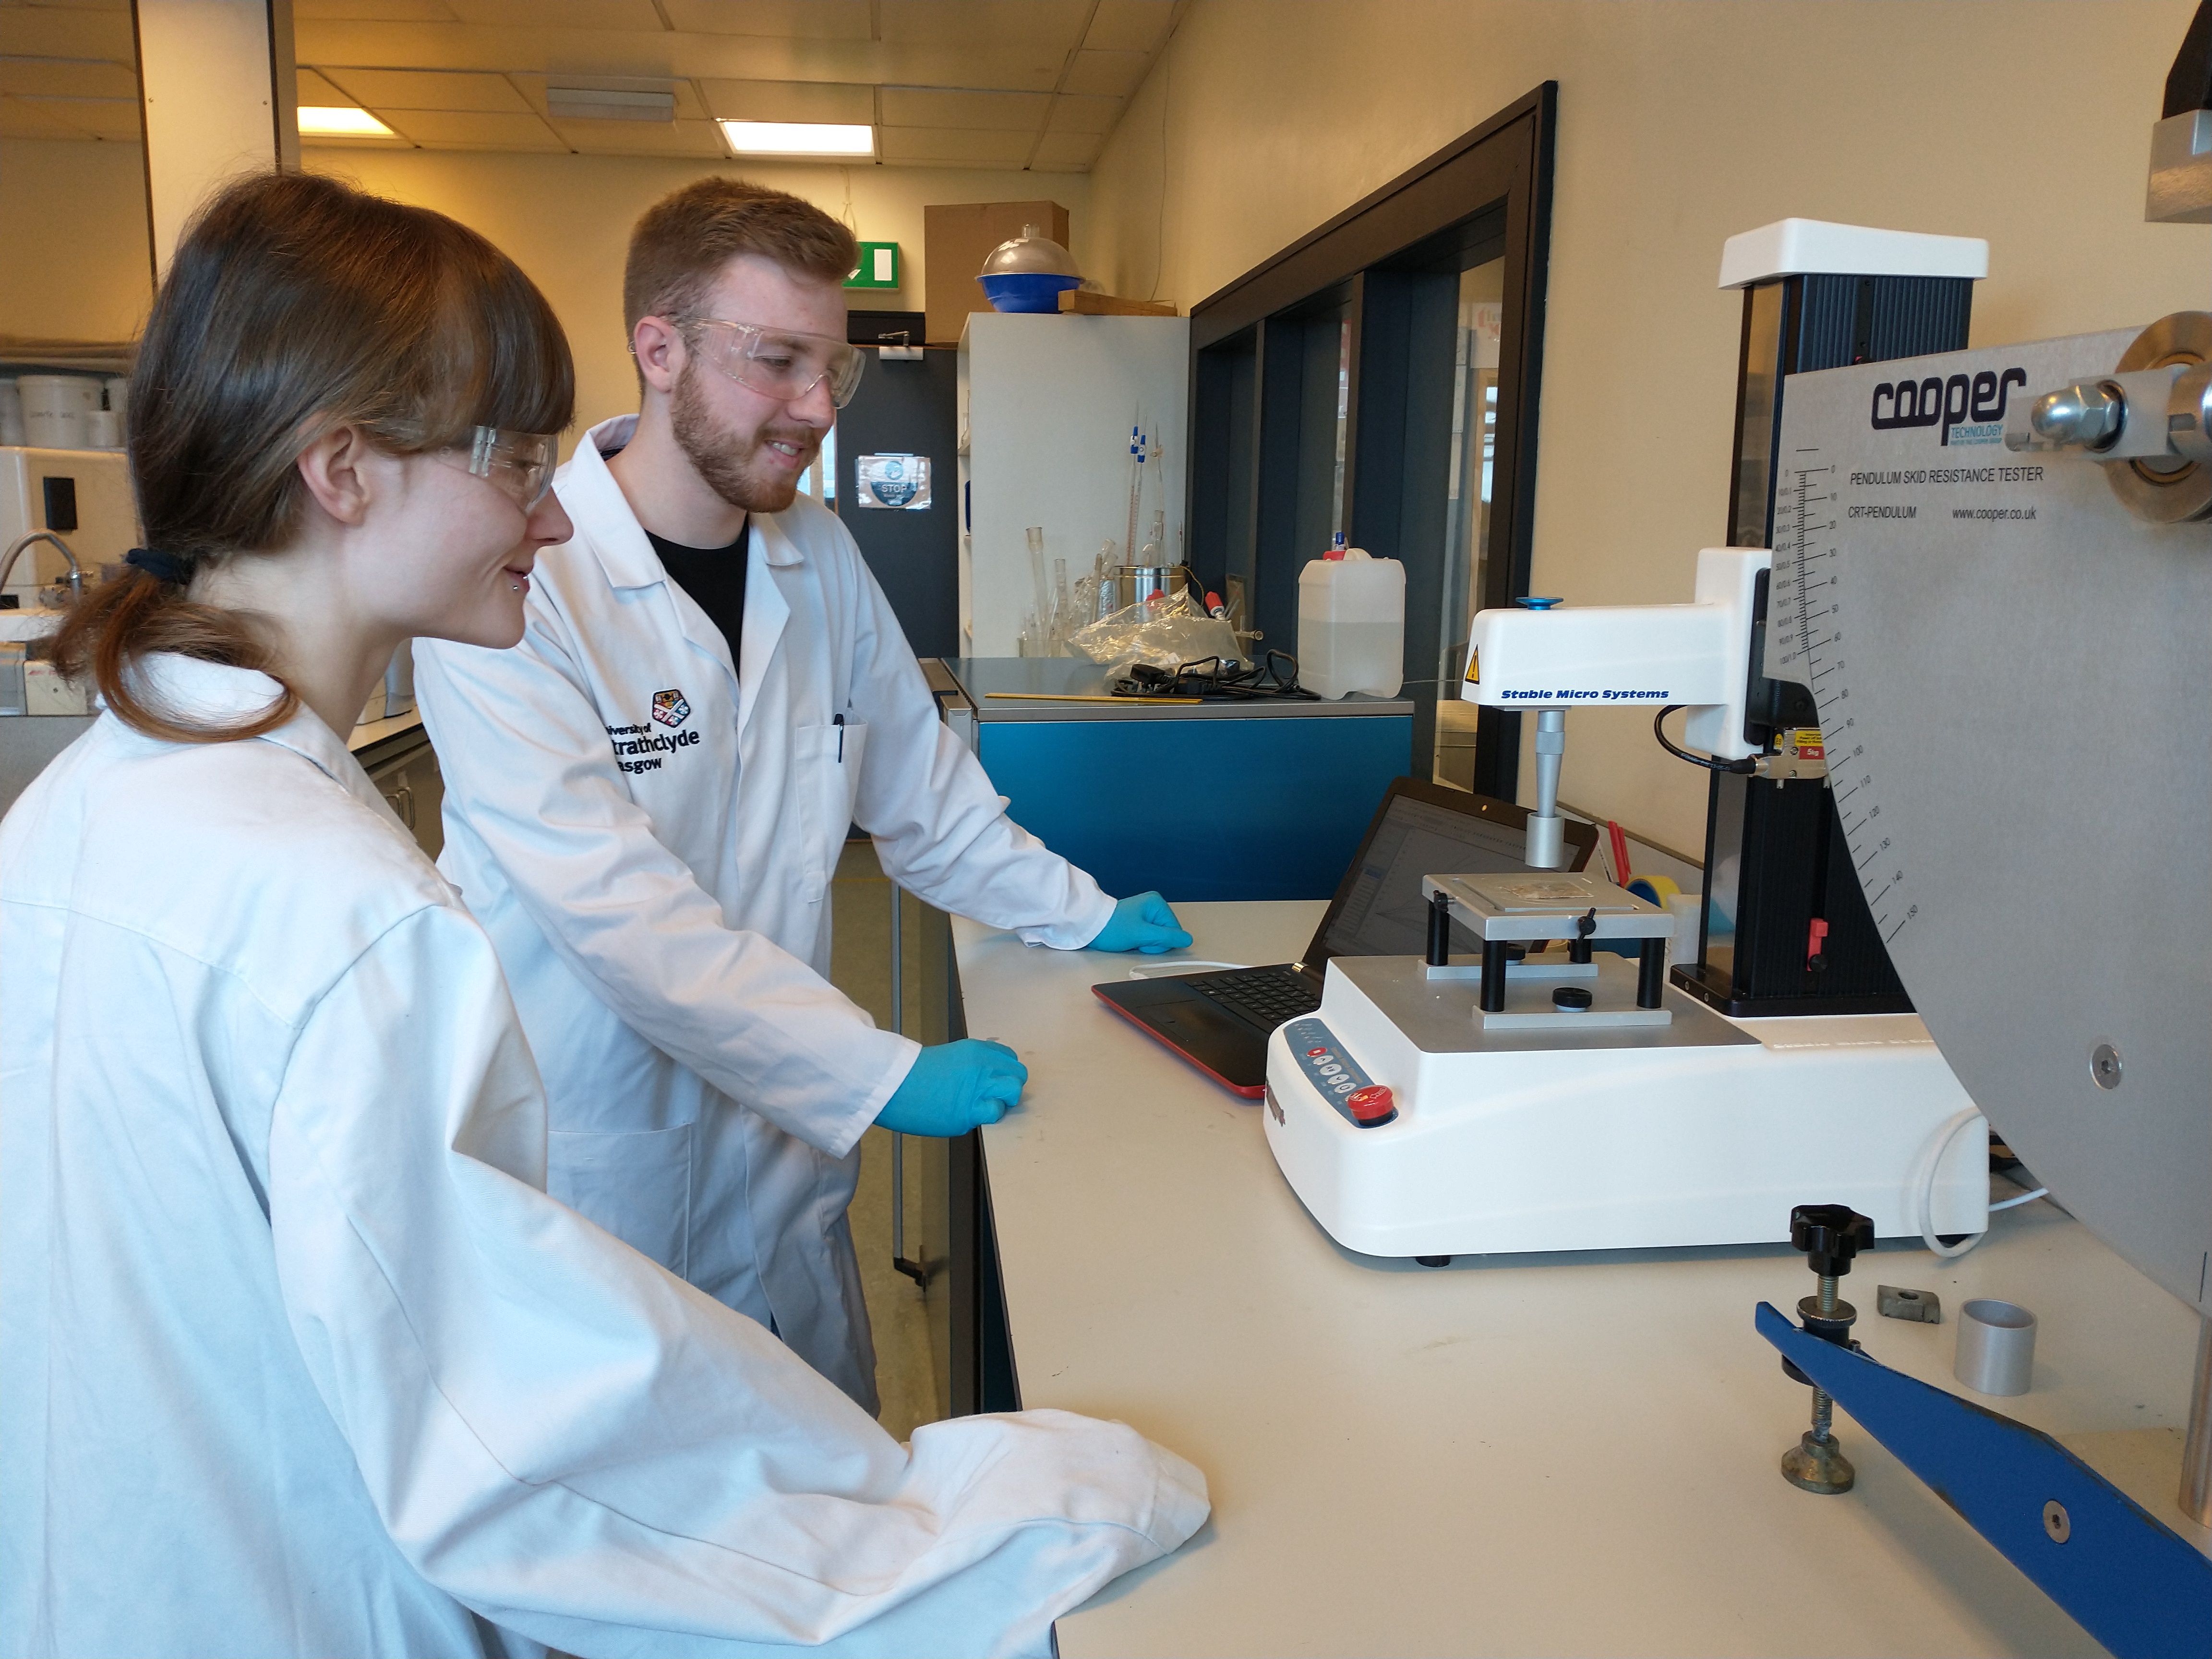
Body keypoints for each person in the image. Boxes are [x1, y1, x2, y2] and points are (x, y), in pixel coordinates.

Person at [0, 170, 1206, 1659]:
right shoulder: (338, 905)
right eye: (510, 456)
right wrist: (1024, 1512)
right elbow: (531, 1458)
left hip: (163, 1555)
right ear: (342, 468)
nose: (547, 510)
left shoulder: (89, 811)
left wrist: (1082, 917)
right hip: (465, 1358)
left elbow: (924, 793)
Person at [414, 178, 1191, 1412]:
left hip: (782, 1172)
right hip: (608, 1165)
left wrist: (1079, 913)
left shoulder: (817, 552)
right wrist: (876, 1074)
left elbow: (923, 794)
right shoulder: (516, 585)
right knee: (645, 1539)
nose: (817, 408)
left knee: (826, 1479)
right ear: (657, 351)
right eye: (776, 361)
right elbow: (623, 917)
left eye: (834, 369)